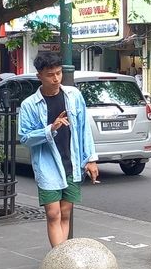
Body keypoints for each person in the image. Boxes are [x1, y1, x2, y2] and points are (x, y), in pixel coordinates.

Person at [18, 52, 99, 247]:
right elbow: (25, 137)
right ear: (39, 76)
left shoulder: (73, 96)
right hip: (47, 164)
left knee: (65, 212)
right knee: (53, 214)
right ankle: (59, 258)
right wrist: (50, 129)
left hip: (71, 162)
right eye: (50, 75)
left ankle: (62, 256)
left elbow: (84, 129)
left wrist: (91, 159)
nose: (56, 79)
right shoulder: (29, 105)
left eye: (58, 73)